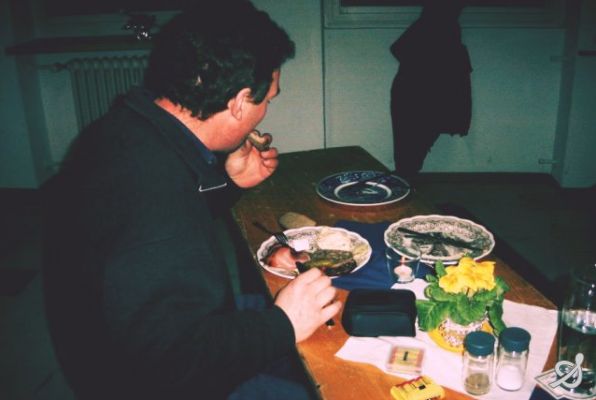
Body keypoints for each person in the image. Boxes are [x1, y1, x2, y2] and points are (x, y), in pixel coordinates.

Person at [42, 2, 340, 399]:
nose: (266, 111)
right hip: (144, 381)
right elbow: (171, 363)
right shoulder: (152, 199)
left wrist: (229, 183)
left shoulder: (130, 128)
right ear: (239, 102)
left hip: (122, 334)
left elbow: (167, 232)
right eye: (268, 99)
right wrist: (283, 324)